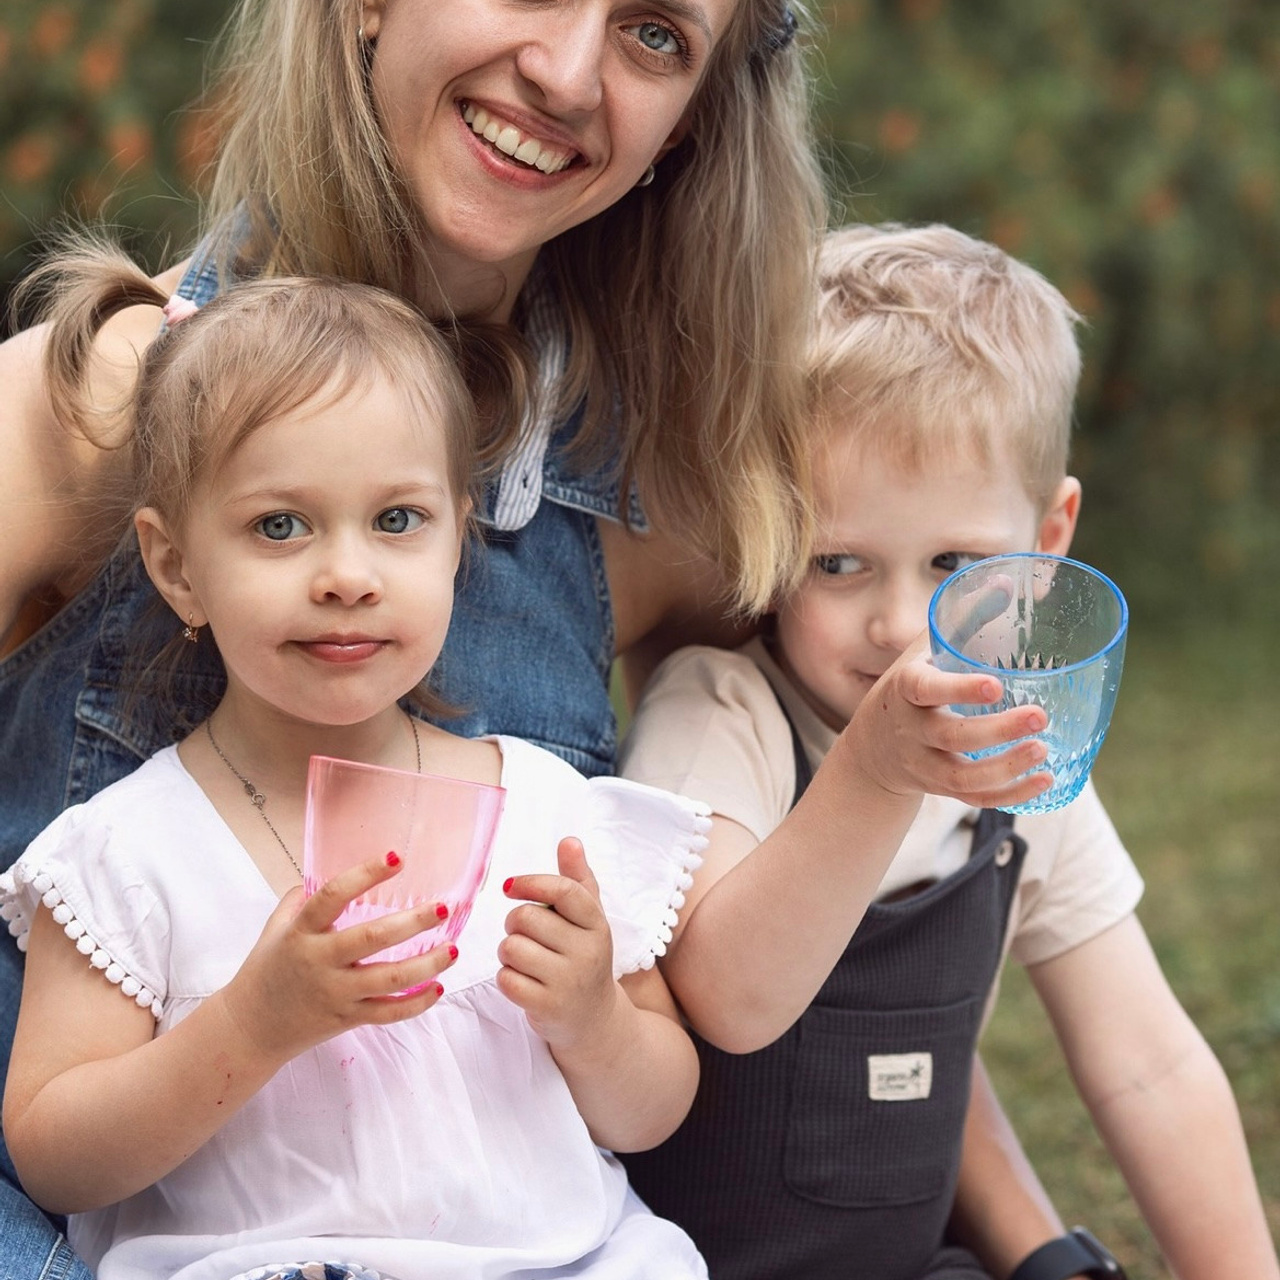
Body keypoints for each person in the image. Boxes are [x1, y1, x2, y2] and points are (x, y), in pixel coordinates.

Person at [0, 1, 1064, 1273]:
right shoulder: (91, 398)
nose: (566, 73)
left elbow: (819, 930)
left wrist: (1028, 1238)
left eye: (655, 34)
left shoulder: (660, 505)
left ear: (692, 121)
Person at [1, 266, 720, 1279]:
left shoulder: (545, 811)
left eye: (395, 520)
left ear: (455, 539)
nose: (347, 573)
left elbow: (653, 1115)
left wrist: (593, 1016)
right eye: (280, 525)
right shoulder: (125, 850)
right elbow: (54, 1156)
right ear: (176, 568)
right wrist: (253, 1025)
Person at [618, 224, 1280, 1280]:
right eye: (836, 560)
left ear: (1045, 541)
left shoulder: (1029, 763)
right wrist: (875, 772)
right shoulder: (721, 711)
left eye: (954, 564)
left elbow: (1146, 1063)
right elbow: (727, 999)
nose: (896, 624)